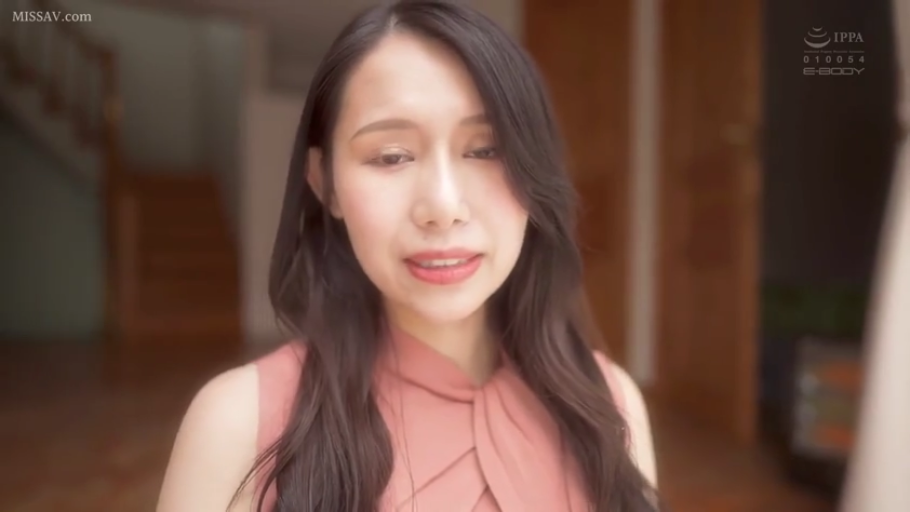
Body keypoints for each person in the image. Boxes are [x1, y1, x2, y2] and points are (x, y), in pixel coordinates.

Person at [156, 1, 659, 511]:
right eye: (391, 156)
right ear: (325, 182)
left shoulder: (611, 404)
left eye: (486, 150)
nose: (442, 207)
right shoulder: (238, 423)